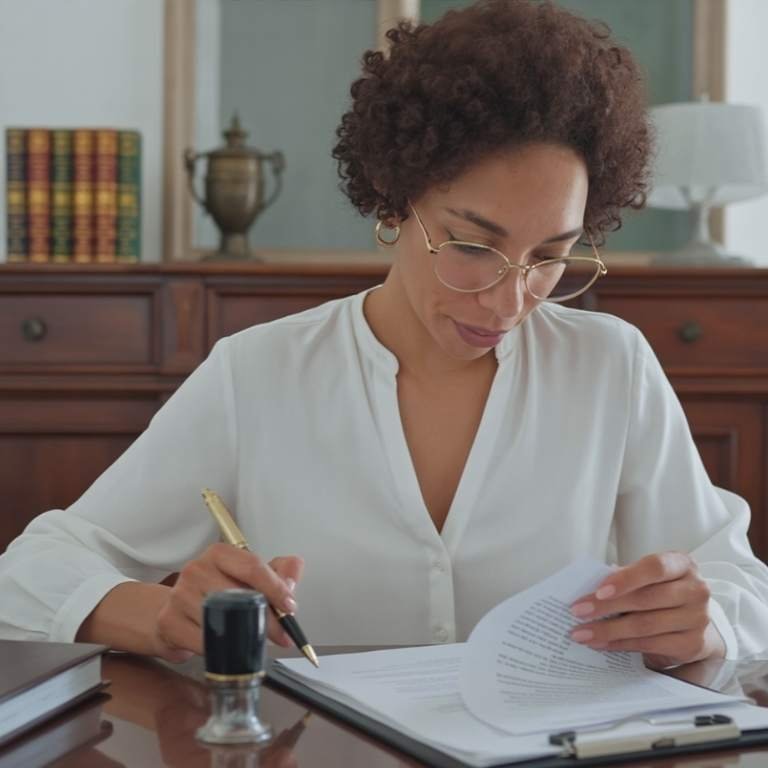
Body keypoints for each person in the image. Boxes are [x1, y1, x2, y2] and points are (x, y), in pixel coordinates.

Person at [2, 0, 768, 670]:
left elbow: (740, 587)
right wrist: (160, 615)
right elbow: (32, 570)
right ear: (396, 203)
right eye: (472, 245)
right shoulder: (258, 373)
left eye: (550, 257)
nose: (510, 299)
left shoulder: (611, 368)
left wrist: (705, 624)